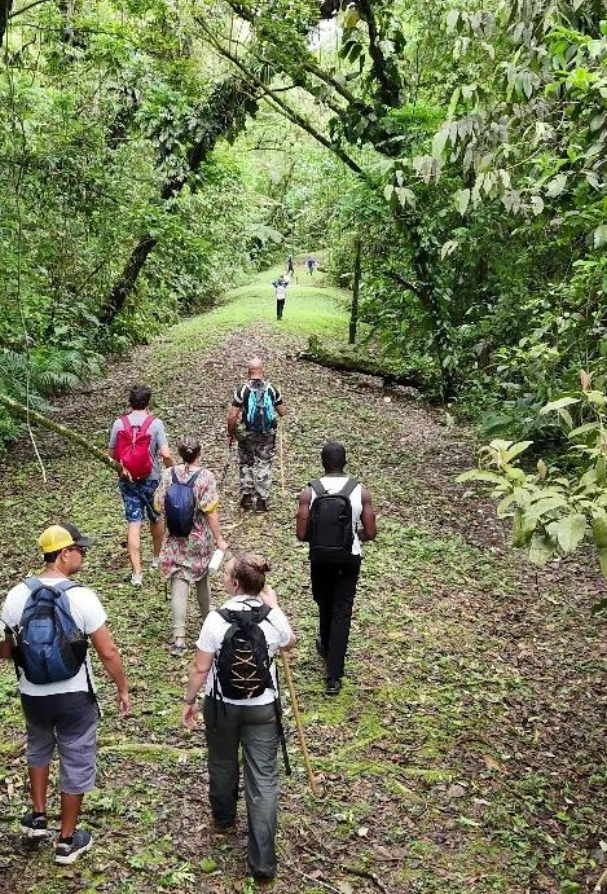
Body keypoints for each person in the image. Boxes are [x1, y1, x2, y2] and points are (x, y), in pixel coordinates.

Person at [0, 522, 131, 864]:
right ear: (63, 554)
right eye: (79, 550)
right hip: (74, 695)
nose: (83, 555)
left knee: (39, 748)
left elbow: (3, 650)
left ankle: (38, 817)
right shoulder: (81, 596)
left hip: (32, 694)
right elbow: (108, 652)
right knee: (76, 756)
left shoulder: (16, 595)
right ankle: (68, 840)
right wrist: (122, 688)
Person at [182, 553, 296, 882]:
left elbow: (201, 667)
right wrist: (274, 605)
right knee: (263, 780)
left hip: (222, 706)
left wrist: (189, 701)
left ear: (235, 583)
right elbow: (289, 644)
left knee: (221, 762)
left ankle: (223, 816)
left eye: (226, 575)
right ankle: (262, 862)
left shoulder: (216, 619)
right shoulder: (272, 617)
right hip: (263, 708)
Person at [295, 441, 377, 696]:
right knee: (342, 611)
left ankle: (326, 645)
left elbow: (301, 534)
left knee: (324, 602)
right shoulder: (359, 491)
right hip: (348, 557)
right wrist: (353, 536)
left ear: (322, 463)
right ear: (345, 462)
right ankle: (334, 675)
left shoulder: (310, 491)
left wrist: (322, 540)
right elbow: (371, 532)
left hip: (320, 557)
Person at [154, 437, 228, 655]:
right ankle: (208, 623)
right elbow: (210, 511)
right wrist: (219, 539)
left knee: (180, 580)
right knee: (202, 577)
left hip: (176, 538)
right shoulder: (206, 477)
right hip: (199, 539)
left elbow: (158, 504)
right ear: (199, 453)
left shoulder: (169, 475)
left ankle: (179, 638)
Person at [108, 384, 173, 586]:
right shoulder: (156, 424)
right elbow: (166, 454)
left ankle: (137, 574)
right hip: (151, 478)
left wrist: (121, 469)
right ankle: (156, 558)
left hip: (127, 479)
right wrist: (172, 470)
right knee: (156, 517)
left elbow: (111, 455)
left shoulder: (119, 424)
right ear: (148, 402)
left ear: (130, 401)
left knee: (134, 523)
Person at [226, 357, 285, 512]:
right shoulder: (271, 389)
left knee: (246, 463)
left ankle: (246, 496)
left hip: (247, 434)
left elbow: (232, 416)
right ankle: (261, 500)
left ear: (248, 371)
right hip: (267, 435)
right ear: (263, 371)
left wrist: (230, 433)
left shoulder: (242, 390)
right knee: (264, 463)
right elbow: (282, 412)